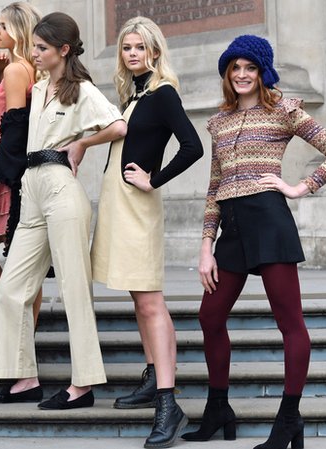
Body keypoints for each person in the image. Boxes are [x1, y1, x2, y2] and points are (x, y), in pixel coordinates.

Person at [184, 35, 326, 449]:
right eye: (235, 68)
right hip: (233, 230)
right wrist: (206, 246)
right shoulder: (218, 122)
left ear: (263, 72)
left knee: (289, 323)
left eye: (250, 68)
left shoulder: (284, 110)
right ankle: (219, 408)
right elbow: (214, 187)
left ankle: (289, 419)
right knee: (209, 317)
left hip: (270, 221)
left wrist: (299, 187)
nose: (242, 75)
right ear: (227, 72)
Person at [0, 12, 126, 410]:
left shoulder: (80, 88)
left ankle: (83, 385)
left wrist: (83, 144)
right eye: (34, 46)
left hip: (62, 190)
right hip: (31, 189)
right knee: (11, 291)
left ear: (64, 50)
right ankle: (25, 379)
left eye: (42, 48)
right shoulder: (41, 85)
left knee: (73, 291)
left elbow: (118, 126)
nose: (35, 53)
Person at [91, 16, 202, 448]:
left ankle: (167, 404)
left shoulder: (162, 92)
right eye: (126, 47)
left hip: (138, 207)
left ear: (154, 51)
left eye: (140, 47)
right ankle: (154, 375)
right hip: (121, 205)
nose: (132, 53)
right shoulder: (134, 93)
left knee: (151, 301)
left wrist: (154, 179)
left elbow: (192, 145)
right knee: (140, 300)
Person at [0, 1, 42, 376]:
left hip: (7, 177)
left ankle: (9, 330)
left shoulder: (17, 69)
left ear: (18, 29)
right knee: (19, 263)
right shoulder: (22, 68)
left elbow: (12, 131)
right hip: (17, 174)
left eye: (2, 25)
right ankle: (16, 335)